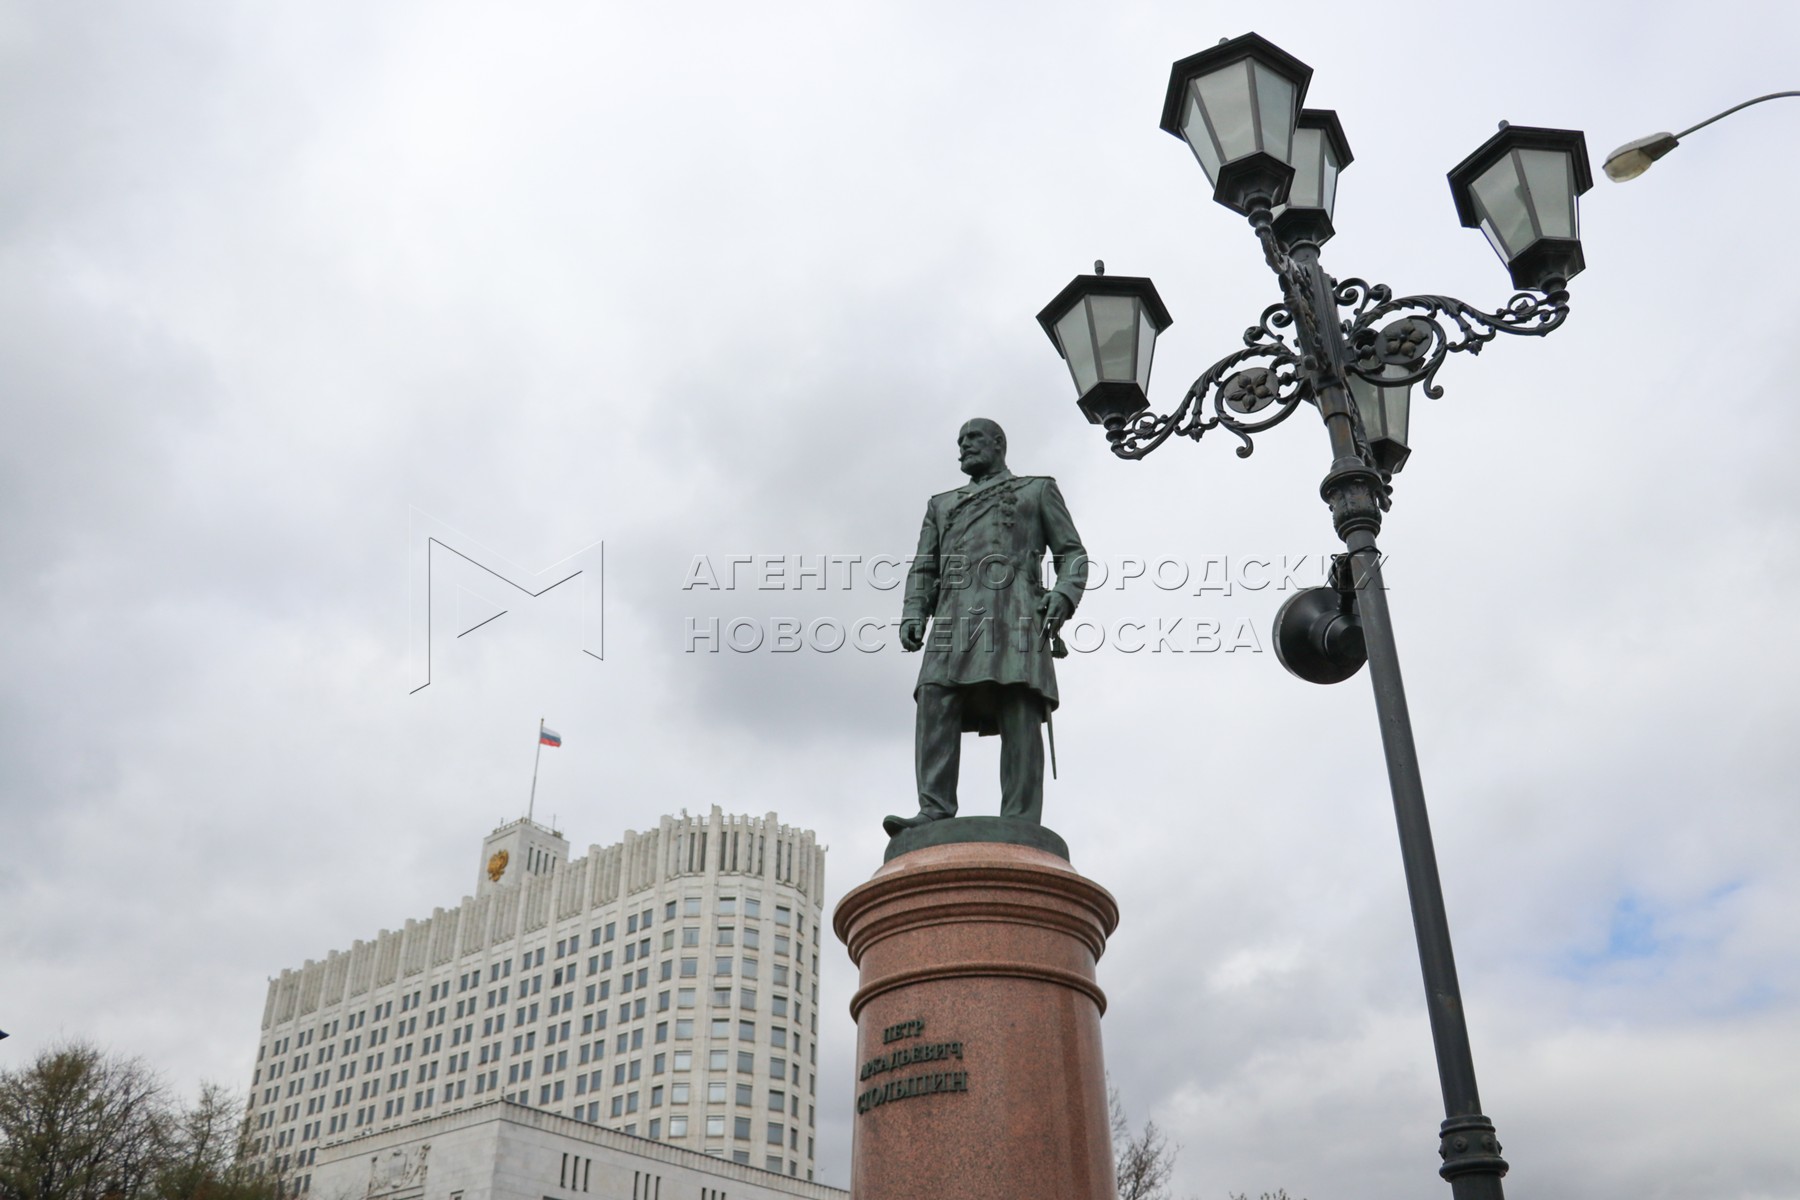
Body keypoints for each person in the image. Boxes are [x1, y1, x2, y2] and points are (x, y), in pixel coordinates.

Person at [884, 419, 1088, 836]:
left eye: (973, 439)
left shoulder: (1036, 490)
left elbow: (1073, 554)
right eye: (959, 442)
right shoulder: (941, 504)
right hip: (953, 615)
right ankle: (934, 808)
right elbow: (924, 566)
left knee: (1019, 704)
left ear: (998, 444)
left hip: (1014, 611)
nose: (963, 448)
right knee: (934, 697)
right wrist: (912, 612)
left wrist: (1063, 596)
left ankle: (1021, 817)